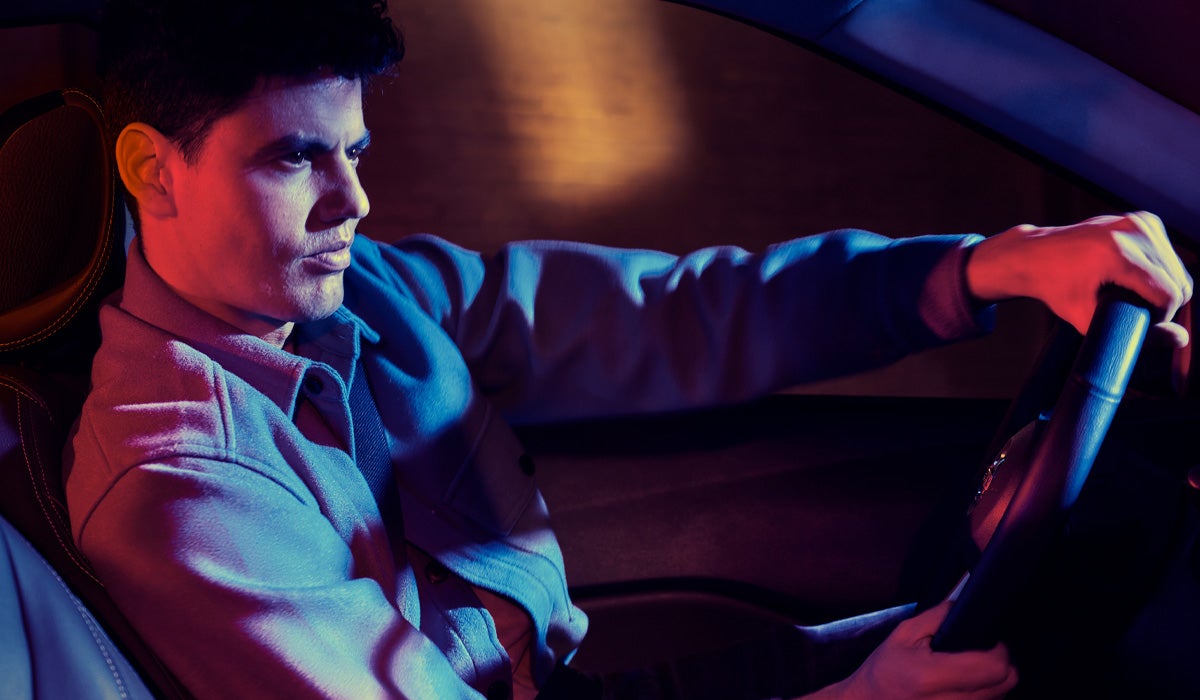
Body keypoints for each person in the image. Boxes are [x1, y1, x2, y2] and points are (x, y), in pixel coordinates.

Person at [64, 1, 1192, 699]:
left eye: (354, 152)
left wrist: (984, 267)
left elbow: (672, 314)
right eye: (294, 159)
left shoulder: (370, 292)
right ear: (153, 169)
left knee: (1040, 619)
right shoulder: (178, 487)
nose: (353, 201)